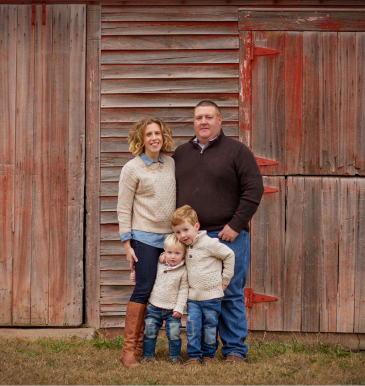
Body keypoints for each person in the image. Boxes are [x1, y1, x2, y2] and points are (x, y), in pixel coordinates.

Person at [172, 101, 264, 363]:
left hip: (228, 236)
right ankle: (200, 352)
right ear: (193, 121)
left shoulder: (237, 151)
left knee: (231, 292)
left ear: (220, 120)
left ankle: (235, 350)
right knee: (198, 296)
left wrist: (235, 225)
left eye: (209, 117)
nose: (203, 121)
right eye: (199, 117)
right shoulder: (180, 154)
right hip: (193, 241)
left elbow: (253, 190)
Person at [117, 117, 176, 367]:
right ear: (141, 139)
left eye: (158, 133)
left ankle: (142, 346)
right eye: (149, 134)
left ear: (164, 137)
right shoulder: (132, 168)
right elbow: (123, 207)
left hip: (169, 239)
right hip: (143, 238)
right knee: (144, 288)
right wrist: (127, 244)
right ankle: (129, 350)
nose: (154, 138)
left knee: (162, 290)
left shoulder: (171, 163)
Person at [171, 205, 235, 366]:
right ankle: (194, 356)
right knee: (192, 327)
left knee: (209, 328)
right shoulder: (184, 246)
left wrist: (225, 280)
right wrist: (164, 257)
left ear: (196, 226)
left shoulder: (209, 243)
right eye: (178, 232)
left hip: (212, 297)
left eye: (185, 230)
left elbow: (229, 255)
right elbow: (173, 252)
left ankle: (208, 355)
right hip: (193, 298)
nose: (182, 235)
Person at [131, 234, 188, 364]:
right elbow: (146, 275)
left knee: (174, 334)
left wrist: (179, 308)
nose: (172, 256)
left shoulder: (183, 271)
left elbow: (183, 291)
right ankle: (148, 356)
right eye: (169, 252)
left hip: (172, 310)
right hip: (154, 306)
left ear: (184, 254)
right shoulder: (159, 264)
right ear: (164, 251)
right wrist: (136, 276)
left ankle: (175, 357)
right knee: (149, 332)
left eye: (177, 253)